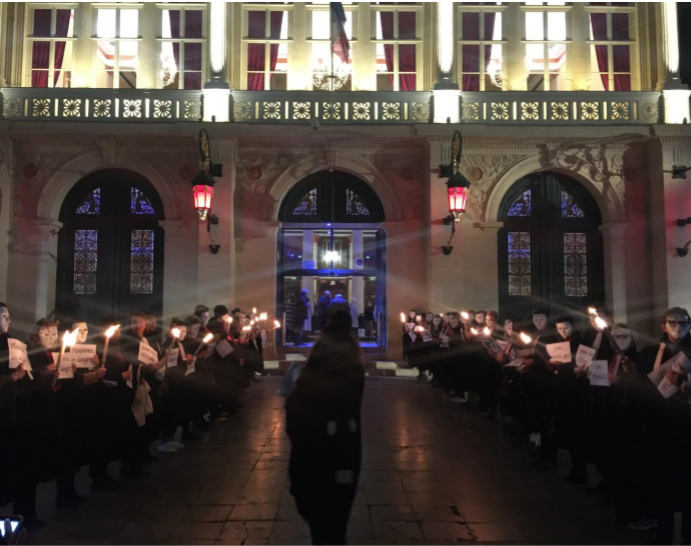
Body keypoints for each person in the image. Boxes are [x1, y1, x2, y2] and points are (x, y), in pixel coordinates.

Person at [285, 310, 365, 545]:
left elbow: (298, 410)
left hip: (316, 447)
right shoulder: (353, 357)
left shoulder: (320, 362)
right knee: (338, 512)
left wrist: (295, 390)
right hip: (346, 447)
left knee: (318, 510)